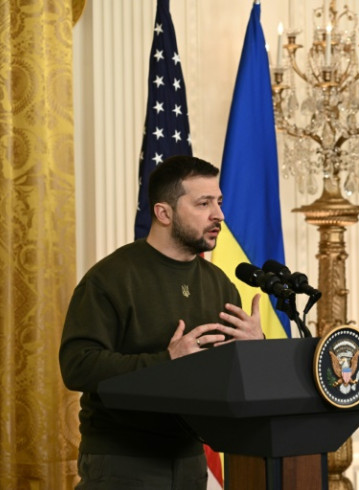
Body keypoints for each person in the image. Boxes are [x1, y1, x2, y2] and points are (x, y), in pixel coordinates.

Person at [59, 155, 265, 489]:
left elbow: (226, 376)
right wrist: (165, 362)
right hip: (123, 461)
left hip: (192, 458)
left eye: (219, 202)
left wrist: (254, 351)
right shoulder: (110, 278)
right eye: (203, 203)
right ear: (163, 212)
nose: (219, 215)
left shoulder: (219, 283)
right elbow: (76, 366)